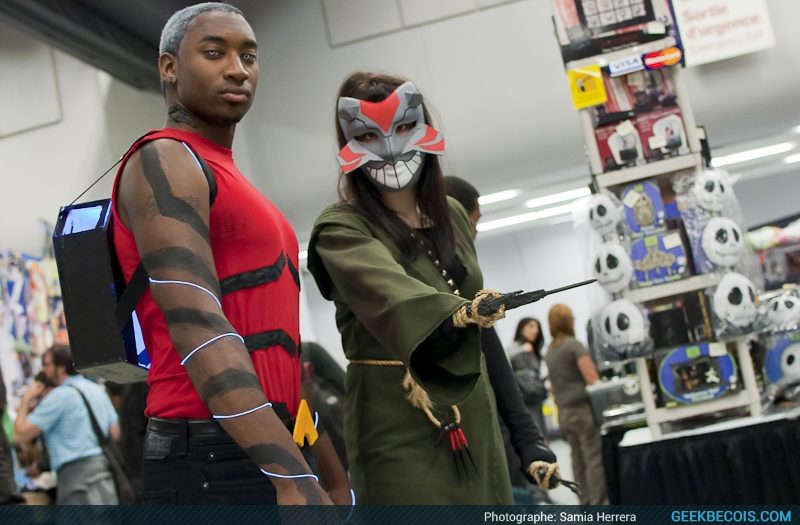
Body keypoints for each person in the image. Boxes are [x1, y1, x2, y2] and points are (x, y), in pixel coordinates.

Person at [110, 2, 336, 505]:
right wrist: (291, 476)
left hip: (270, 441)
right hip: (212, 454)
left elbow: (277, 346)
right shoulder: (166, 159)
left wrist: (324, 464)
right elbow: (198, 326)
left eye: (249, 56)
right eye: (215, 53)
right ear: (169, 67)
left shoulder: (229, 176)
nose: (238, 69)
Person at [307, 71, 558, 504]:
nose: (390, 147)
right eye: (367, 135)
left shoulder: (453, 215)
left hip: (472, 412)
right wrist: (461, 313)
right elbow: (395, 296)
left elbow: (481, 332)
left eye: (405, 126)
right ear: (348, 143)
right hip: (396, 415)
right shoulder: (341, 230)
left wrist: (526, 436)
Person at [443, 176, 554, 504]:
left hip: (486, 429)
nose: (474, 234)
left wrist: (528, 438)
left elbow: (493, 358)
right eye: (472, 224)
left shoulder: (465, 290)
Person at [13, 345, 119, 504]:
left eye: (46, 364)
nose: (44, 370)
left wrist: (25, 399)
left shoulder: (59, 397)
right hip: (103, 473)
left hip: (75, 479)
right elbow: (115, 432)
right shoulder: (97, 390)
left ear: (61, 368)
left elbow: (20, 435)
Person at [544, 304, 608, 505]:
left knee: (577, 458)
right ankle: (599, 503)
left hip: (564, 413)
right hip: (582, 411)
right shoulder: (574, 346)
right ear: (568, 321)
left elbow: (553, 385)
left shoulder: (550, 351)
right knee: (593, 458)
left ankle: (585, 501)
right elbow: (592, 378)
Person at [508, 317, 548, 436]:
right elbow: (504, 360)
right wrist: (521, 350)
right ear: (521, 328)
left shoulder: (533, 350)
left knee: (541, 434)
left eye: (537, 327)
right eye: (531, 326)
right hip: (522, 401)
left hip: (535, 400)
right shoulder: (516, 348)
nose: (535, 330)